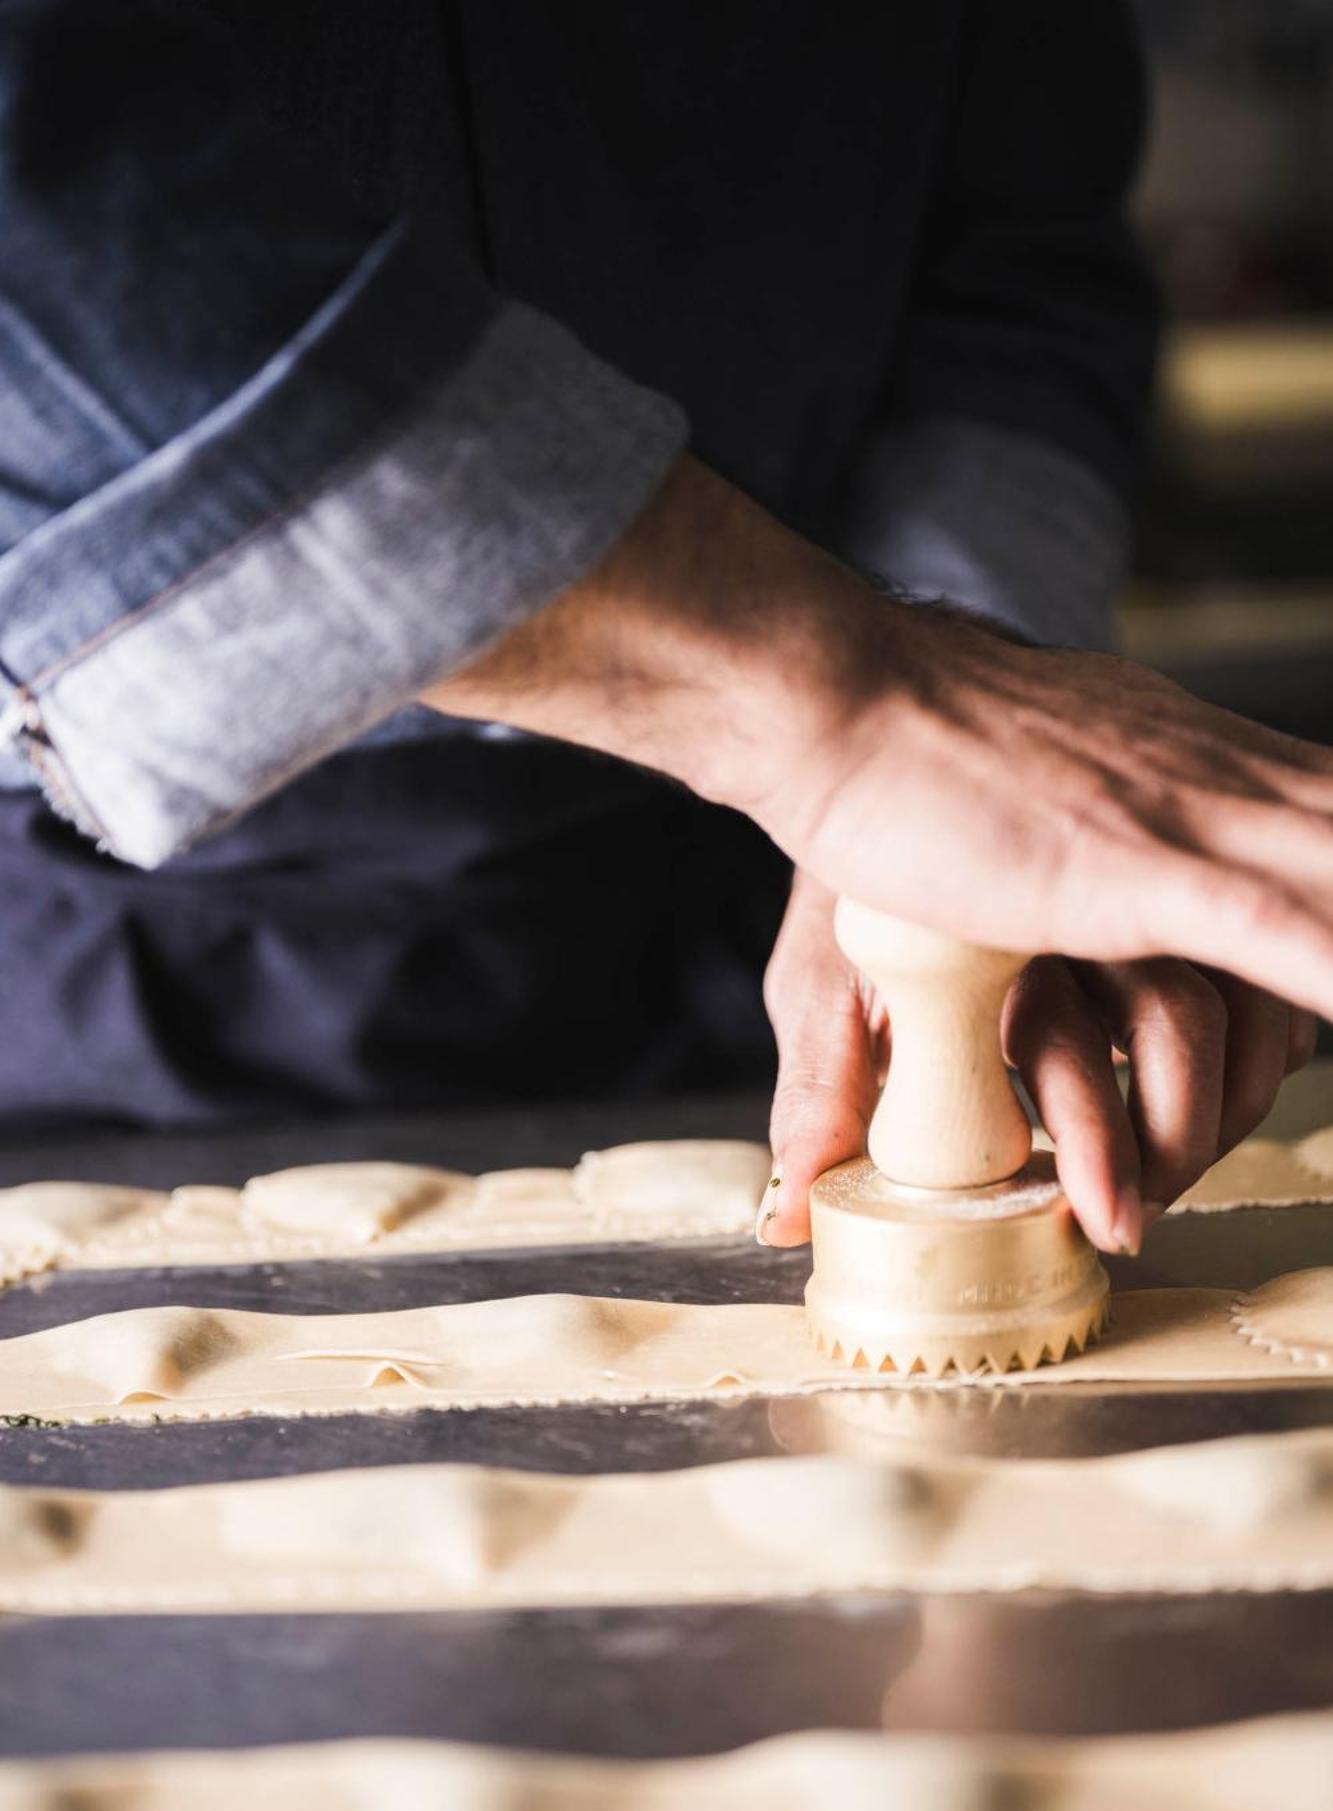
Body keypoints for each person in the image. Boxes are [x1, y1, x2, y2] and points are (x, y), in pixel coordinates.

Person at [0, 1, 1327, 1262]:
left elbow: (1009, 254)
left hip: (752, 894)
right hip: (78, 948)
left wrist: (964, 683)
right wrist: (830, 704)